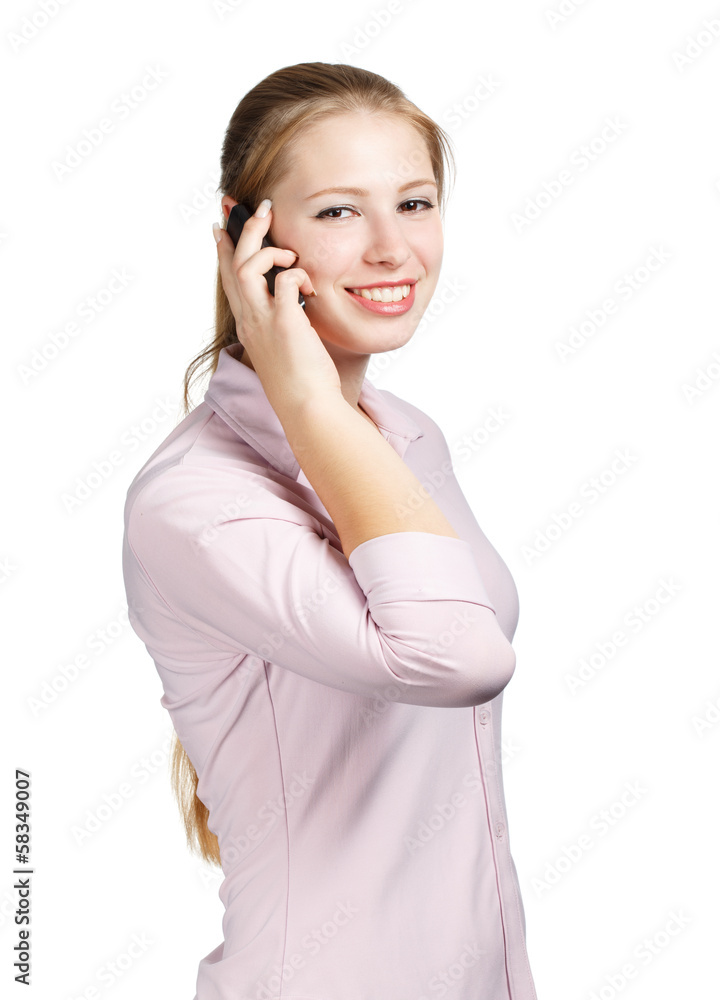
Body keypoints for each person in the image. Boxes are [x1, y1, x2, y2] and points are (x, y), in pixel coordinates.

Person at [122, 61, 538, 1000]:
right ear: (247, 235)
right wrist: (306, 395)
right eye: (341, 213)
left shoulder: (408, 437)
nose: (395, 249)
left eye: (416, 202)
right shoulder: (192, 503)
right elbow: (456, 657)